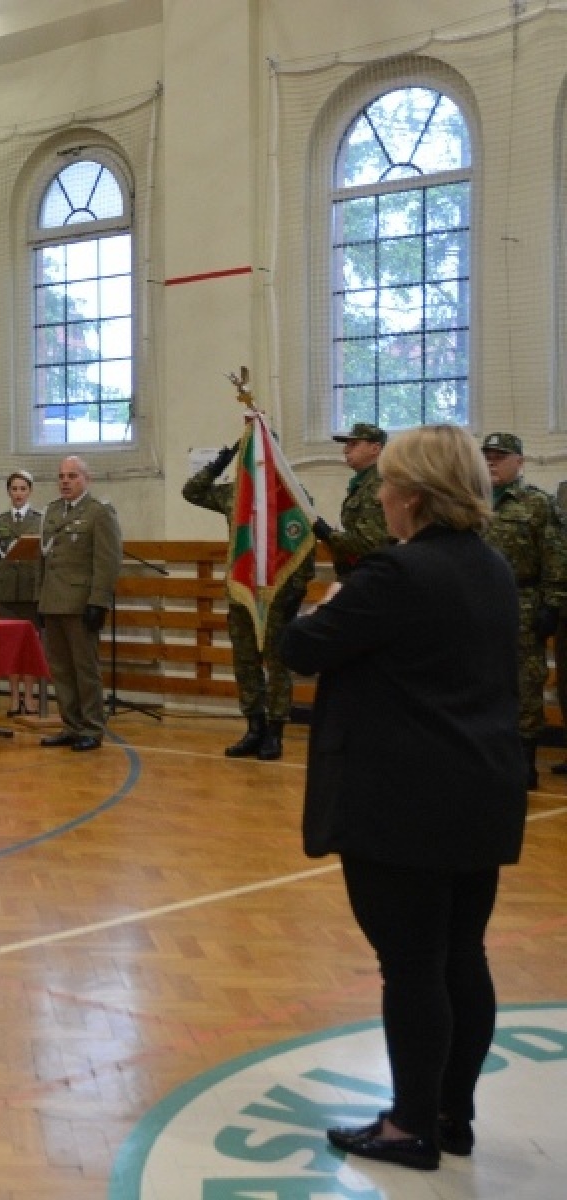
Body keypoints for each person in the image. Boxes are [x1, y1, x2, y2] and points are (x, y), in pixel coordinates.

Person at [279, 424, 527, 1173]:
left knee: (412, 965)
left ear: (413, 496)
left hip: (404, 801)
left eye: (388, 484)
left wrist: (322, 604)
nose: (381, 496)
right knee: (461, 955)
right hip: (480, 790)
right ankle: (452, 1114)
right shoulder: (491, 567)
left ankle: (410, 1124)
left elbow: (300, 648)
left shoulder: (395, 574)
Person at [183, 443, 315, 759]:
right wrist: (220, 463)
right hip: (242, 591)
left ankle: (275, 731)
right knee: (245, 663)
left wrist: (298, 588)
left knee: (277, 664)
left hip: (276, 592)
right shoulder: (234, 493)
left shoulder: (292, 493)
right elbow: (192, 492)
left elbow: (304, 541)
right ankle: (253, 728)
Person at [478, 432, 567, 788]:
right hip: (479, 604)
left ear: (520, 462)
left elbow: (556, 558)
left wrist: (553, 603)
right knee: (482, 679)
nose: (492, 462)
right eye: (487, 455)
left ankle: (525, 762)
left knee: (525, 684)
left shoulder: (538, 504)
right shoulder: (472, 501)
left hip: (523, 602)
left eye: (500, 456)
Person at [33, 456, 122, 752]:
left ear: (86, 479)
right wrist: (40, 600)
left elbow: (107, 561)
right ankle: (70, 725)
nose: (65, 481)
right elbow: (44, 561)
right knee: (60, 670)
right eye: (61, 476)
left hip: (81, 603)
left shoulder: (99, 513)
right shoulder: (52, 512)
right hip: (53, 602)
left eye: (72, 476)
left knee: (85, 670)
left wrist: (99, 601)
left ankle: (92, 728)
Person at [0, 469, 43, 716]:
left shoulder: (41, 520)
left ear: (30, 491)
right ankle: (13, 698)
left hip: (31, 592)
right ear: (8, 491)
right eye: (14, 489)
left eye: (23, 489)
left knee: (31, 645)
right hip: (6, 591)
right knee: (10, 645)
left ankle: (30, 697)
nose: (18, 493)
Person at [312, 422, 393, 579]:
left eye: (354, 444)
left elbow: (370, 542)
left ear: (375, 449)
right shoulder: (364, 482)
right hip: (360, 572)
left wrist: (329, 535)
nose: (346, 450)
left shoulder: (377, 484)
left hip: (371, 574)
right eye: (347, 444)